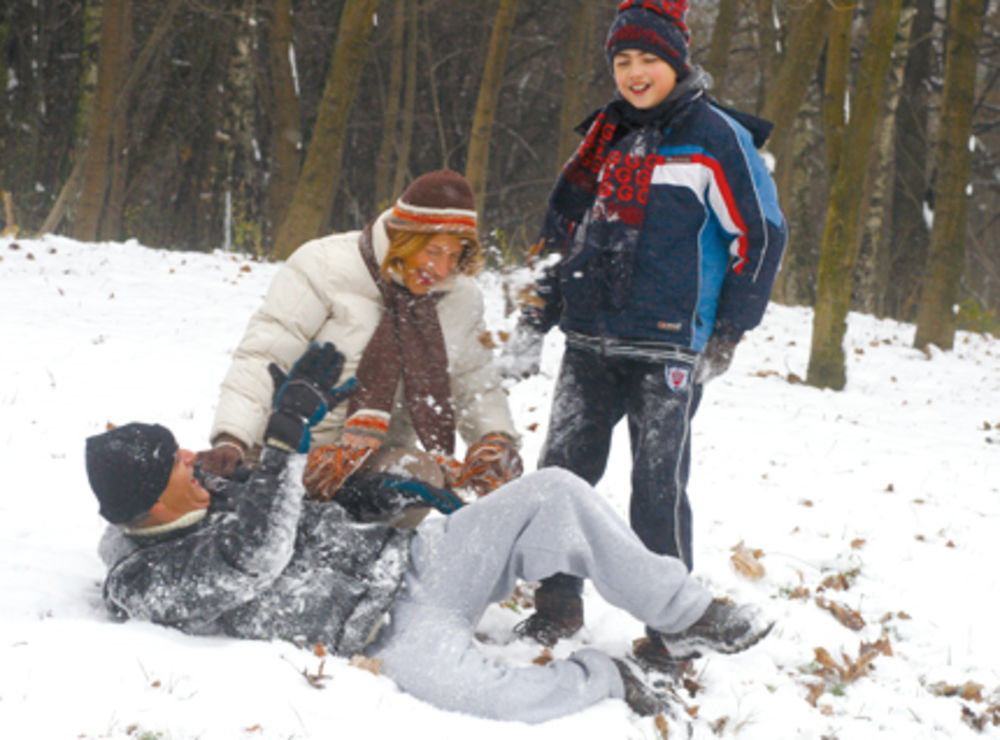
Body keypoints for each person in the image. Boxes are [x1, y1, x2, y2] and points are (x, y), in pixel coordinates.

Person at [87, 343, 773, 724]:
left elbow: (297, 510)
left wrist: (372, 495)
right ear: (149, 504)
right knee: (495, 699)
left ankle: (688, 615)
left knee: (555, 493)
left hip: (415, 560)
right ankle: (609, 680)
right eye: (175, 463)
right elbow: (251, 563)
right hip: (384, 634)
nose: (193, 458)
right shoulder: (145, 580)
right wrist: (283, 440)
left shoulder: (211, 489)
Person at [499, 0, 787, 648]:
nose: (634, 72)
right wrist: (536, 317)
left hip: (667, 345)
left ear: (676, 61)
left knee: (656, 487)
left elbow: (761, 235)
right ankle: (557, 602)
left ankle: (672, 626)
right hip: (591, 337)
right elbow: (567, 238)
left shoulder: (715, 136)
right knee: (562, 474)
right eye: (622, 60)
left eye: (648, 59)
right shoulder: (604, 137)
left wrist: (728, 330)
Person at [200, 169, 522, 508]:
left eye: (454, 256)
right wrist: (232, 437)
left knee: (418, 477)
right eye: (433, 251)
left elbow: (475, 382)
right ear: (404, 238)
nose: (442, 269)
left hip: (373, 461)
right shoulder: (324, 266)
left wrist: (495, 439)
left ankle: (375, 553)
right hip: (284, 449)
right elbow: (265, 357)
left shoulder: (459, 298)